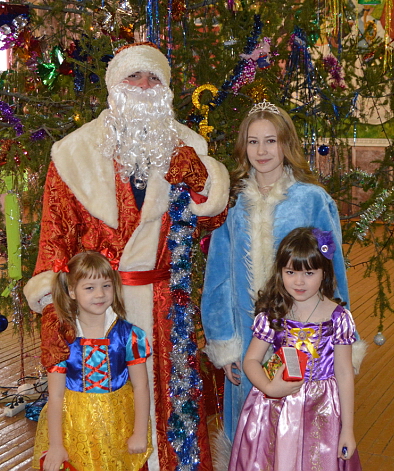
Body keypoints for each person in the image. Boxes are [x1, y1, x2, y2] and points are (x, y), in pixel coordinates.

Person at [24, 42, 230, 471]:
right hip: (97, 311)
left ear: (165, 89)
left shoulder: (187, 146)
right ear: (114, 86)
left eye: (153, 77)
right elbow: (54, 238)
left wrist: (200, 179)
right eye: (133, 76)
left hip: (165, 308)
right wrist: (54, 308)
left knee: (172, 412)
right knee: (102, 423)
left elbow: (214, 216)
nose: (143, 85)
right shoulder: (74, 154)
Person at [200, 102, 351, 445]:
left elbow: (333, 272)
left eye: (271, 141)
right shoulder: (232, 203)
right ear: (244, 147)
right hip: (246, 340)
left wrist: (338, 340)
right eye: (253, 142)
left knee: (299, 435)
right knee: (249, 435)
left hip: (303, 338)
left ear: (286, 144)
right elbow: (218, 277)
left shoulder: (312, 200)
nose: (262, 151)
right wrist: (224, 343)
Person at [228, 228, 361, 471]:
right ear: (280, 272)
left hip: (322, 413)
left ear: (324, 272)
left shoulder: (338, 319)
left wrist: (348, 429)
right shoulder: (273, 314)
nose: (299, 282)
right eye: (290, 272)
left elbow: (344, 373)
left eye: (309, 273)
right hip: (275, 411)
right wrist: (269, 387)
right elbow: (251, 360)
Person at [33, 251, 152, 471]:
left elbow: (141, 386)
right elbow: (56, 395)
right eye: (89, 288)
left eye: (106, 285)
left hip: (118, 426)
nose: (100, 294)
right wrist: (57, 445)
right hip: (74, 428)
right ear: (72, 291)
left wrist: (139, 433)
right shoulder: (62, 339)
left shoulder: (129, 335)